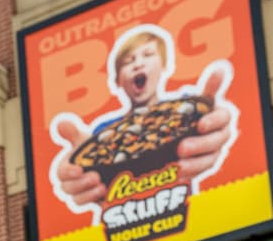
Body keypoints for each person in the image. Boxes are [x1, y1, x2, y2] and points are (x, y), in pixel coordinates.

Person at [49, 27, 239, 211]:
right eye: (128, 61)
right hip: (122, 227)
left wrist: (212, 122)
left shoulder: (184, 109)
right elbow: (89, 162)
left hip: (189, 216)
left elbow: (210, 121)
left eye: (148, 55)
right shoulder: (105, 132)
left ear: (164, 66)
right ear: (117, 80)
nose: (138, 64)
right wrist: (79, 166)